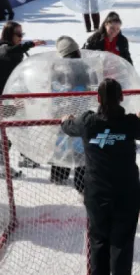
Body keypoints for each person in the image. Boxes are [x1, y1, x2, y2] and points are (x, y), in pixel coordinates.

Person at [61, 78, 140, 275]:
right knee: (121, 244)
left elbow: (68, 128)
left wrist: (65, 120)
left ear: (98, 98)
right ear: (121, 97)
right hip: (126, 195)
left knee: (99, 241)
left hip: (97, 195)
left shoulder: (87, 122)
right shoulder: (130, 122)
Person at [0, 21, 45, 169]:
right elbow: (7, 53)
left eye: (22, 34)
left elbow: (17, 74)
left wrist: (26, 92)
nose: (21, 37)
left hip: (13, 94)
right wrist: (30, 44)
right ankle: (2, 165)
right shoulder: (2, 47)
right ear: (9, 34)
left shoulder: (16, 50)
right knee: (8, 131)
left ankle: (25, 157)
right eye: (18, 34)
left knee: (22, 126)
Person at [50, 36, 95, 189]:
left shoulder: (58, 69)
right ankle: (80, 182)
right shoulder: (82, 68)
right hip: (77, 112)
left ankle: (59, 175)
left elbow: (54, 93)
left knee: (64, 144)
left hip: (65, 113)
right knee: (78, 145)